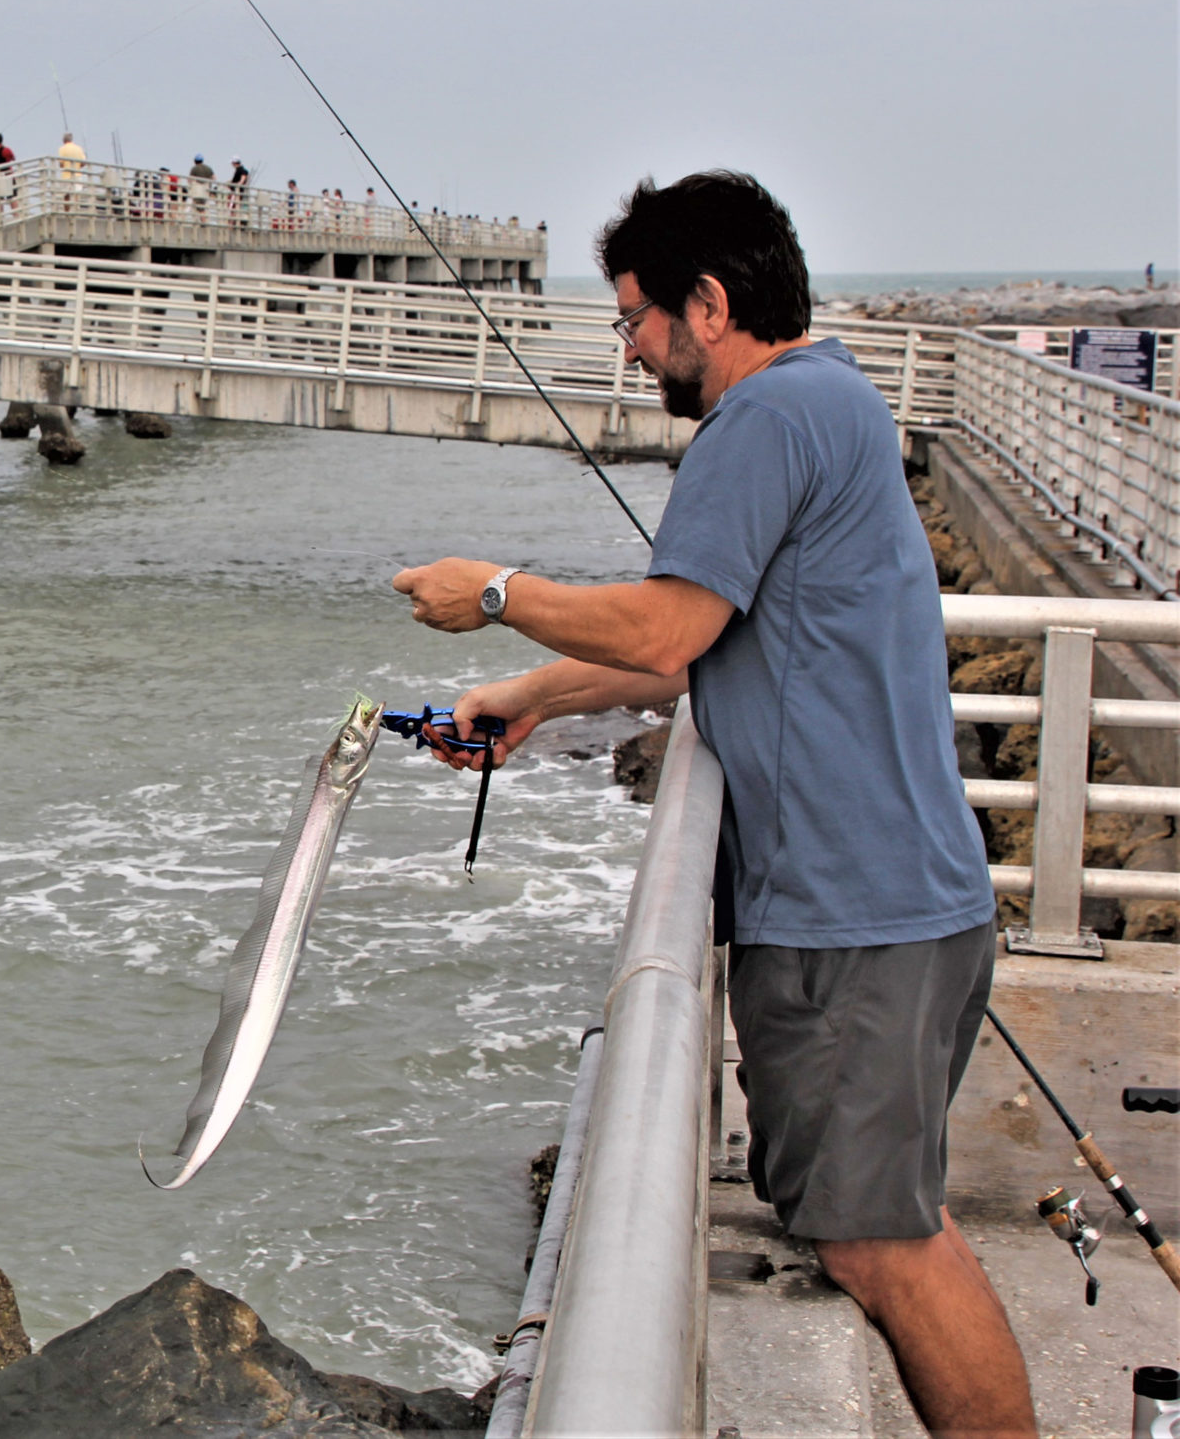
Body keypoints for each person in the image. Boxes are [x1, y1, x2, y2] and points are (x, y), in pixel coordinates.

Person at [390, 171, 1032, 1439]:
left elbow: (668, 619)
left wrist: (499, 589)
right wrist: (533, 697)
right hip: (904, 901)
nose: (626, 348)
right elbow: (698, 645)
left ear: (708, 303)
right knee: (885, 1229)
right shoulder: (833, 397)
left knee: (884, 1247)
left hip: (856, 916)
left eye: (632, 317)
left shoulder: (762, 422)